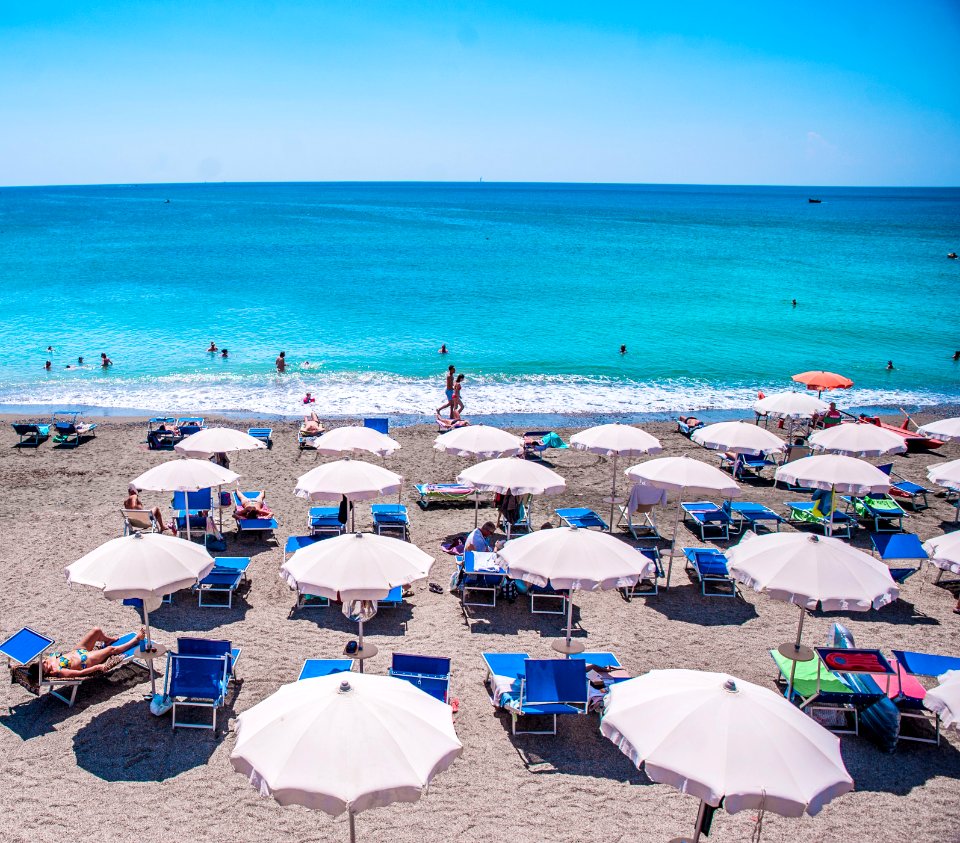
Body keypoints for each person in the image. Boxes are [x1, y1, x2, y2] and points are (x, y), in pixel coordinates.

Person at [38, 627, 147, 681]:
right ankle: (135, 640)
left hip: (78, 650)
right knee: (110, 649)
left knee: (96, 630)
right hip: (86, 660)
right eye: (45, 666)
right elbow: (80, 673)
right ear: (46, 672)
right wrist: (97, 667)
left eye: (43, 662)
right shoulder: (58, 671)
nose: (45, 662)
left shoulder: (48, 660)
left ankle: (107, 639)